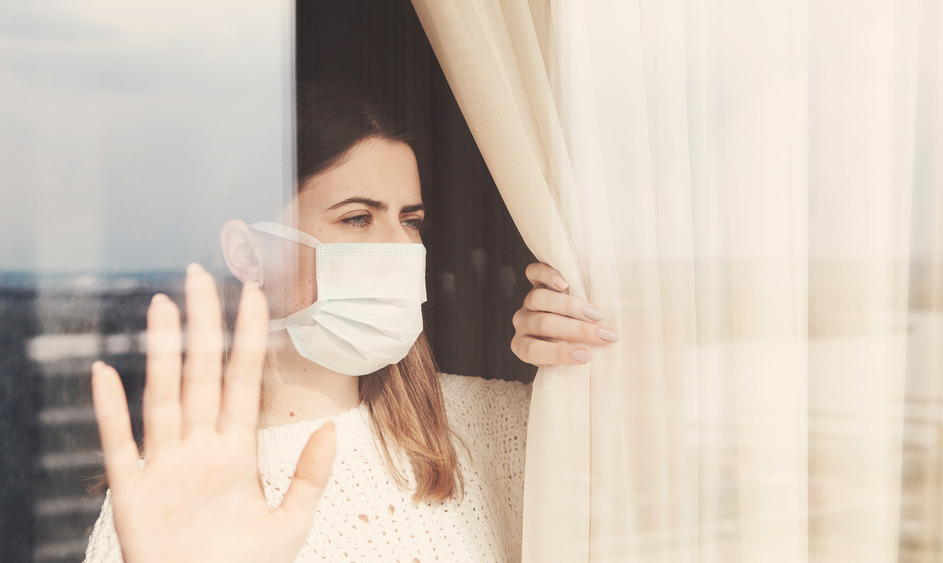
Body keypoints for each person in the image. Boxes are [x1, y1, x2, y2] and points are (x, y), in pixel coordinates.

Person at [84, 90, 619, 562]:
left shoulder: (497, 423)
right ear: (248, 253)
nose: (400, 248)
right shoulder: (177, 490)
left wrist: (597, 344)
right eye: (357, 218)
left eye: (410, 221)